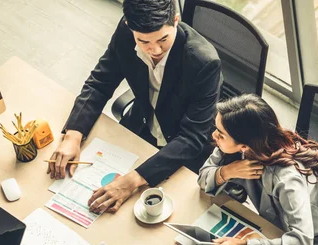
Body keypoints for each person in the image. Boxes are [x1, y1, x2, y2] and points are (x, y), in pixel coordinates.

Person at [47, 0, 222, 214]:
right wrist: (73, 135)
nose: (154, 49)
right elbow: (100, 82)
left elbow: (192, 138)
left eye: (163, 39)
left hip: (182, 152)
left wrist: (131, 181)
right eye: (143, 41)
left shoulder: (204, 62)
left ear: (175, 21)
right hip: (142, 128)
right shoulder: (126, 32)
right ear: (130, 27)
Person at [198, 94, 318, 245]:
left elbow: (302, 241)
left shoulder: (287, 179)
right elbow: (203, 178)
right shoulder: (244, 143)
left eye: (220, 134)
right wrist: (227, 172)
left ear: (244, 145)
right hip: (280, 228)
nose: (214, 135)